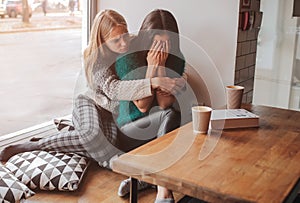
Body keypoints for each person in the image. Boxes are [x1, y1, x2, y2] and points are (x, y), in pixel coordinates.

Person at [0, 9, 185, 202]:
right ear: (102, 41)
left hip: (110, 114)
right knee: (93, 135)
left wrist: (170, 77)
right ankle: (35, 145)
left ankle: (139, 175)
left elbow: (147, 102)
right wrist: (154, 83)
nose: (124, 43)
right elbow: (114, 90)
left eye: (125, 35)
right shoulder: (95, 60)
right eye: (116, 40)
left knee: (109, 140)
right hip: (90, 103)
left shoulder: (131, 46)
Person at [115, 9, 185, 203]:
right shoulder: (127, 56)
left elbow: (164, 104)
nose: (161, 49)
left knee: (172, 113)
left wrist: (161, 66)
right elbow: (143, 107)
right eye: (156, 44)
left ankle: (145, 177)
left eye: (166, 43)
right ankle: (163, 190)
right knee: (171, 115)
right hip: (129, 131)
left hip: (158, 132)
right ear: (146, 40)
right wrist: (151, 66)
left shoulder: (176, 58)